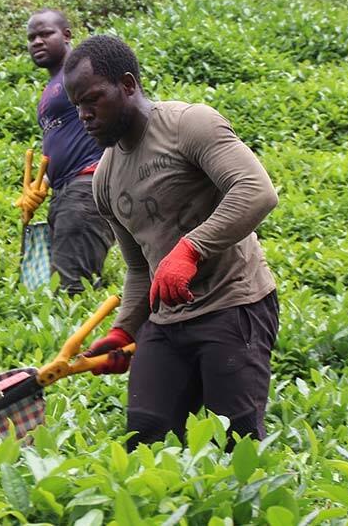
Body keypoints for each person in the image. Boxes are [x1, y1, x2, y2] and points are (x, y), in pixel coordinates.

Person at [63, 34, 280, 449]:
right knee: (144, 438)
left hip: (233, 304)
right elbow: (140, 268)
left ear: (128, 85)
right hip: (165, 322)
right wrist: (124, 329)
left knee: (234, 444)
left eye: (93, 99)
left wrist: (190, 248)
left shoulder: (189, 125)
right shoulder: (105, 179)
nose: (84, 115)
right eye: (77, 106)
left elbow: (256, 190)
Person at [17, 9, 114, 295]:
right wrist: (41, 186)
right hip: (66, 191)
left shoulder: (84, 71)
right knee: (48, 286)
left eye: (45, 34)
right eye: (31, 37)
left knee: (70, 289)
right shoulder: (53, 86)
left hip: (89, 184)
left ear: (67, 35)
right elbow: (65, 140)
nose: (37, 41)